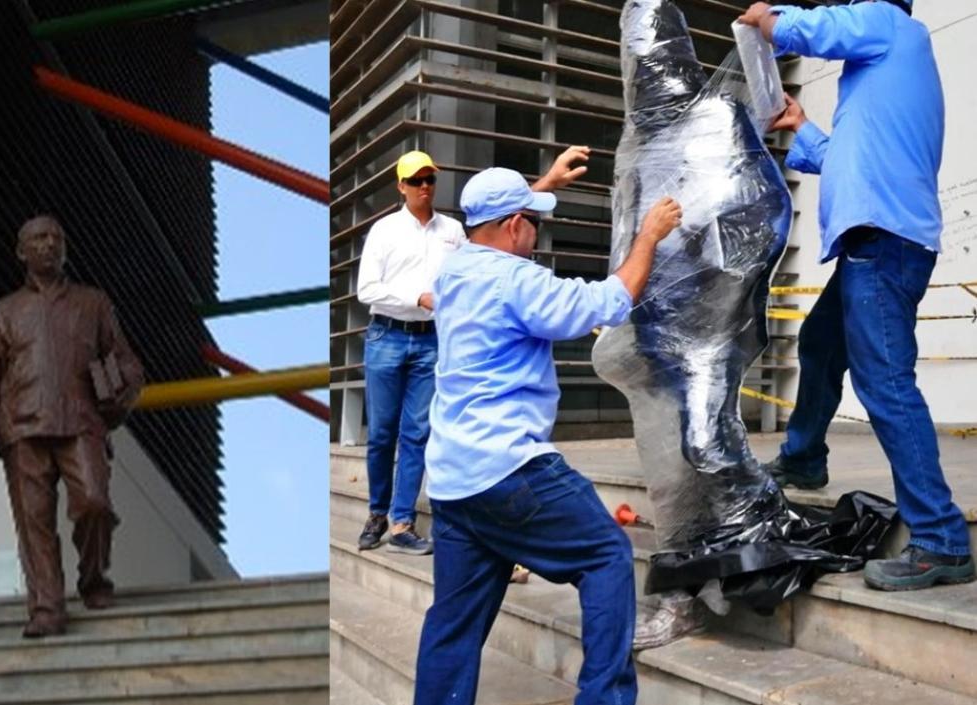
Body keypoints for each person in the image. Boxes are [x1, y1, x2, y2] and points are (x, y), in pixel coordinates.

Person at [411, 158, 682, 705]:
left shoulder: (454, 271)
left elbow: (490, 226)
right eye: (532, 221)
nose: (536, 233)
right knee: (606, 554)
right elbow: (609, 300)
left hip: (453, 482)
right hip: (511, 470)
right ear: (514, 226)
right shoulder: (518, 281)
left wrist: (540, 187)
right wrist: (650, 235)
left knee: (453, 625)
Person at [740, 0, 974, 590]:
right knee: (820, 345)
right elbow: (838, 157)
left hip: (884, 243)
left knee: (887, 384)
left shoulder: (888, 23)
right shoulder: (886, 70)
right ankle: (804, 457)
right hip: (874, 244)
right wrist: (799, 123)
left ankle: (942, 540)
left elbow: (814, 29)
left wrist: (771, 19)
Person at [0, 215, 145, 637]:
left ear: (65, 248)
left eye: (56, 238)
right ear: (22, 252)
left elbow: (127, 362)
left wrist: (122, 393)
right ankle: (47, 607)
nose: (49, 244)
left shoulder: (93, 303)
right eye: (38, 238)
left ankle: (93, 577)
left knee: (94, 504)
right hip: (22, 428)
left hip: (80, 421)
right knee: (35, 523)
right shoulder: (4, 312)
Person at [354, 150, 466, 555]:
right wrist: (418, 297)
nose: (424, 187)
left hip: (431, 341)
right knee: (382, 434)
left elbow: (467, 275)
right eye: (416, 180)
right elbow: (367, 290)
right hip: (387, 337)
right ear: (400, 185)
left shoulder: (453, 231)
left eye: (430, 179)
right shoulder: (384, 231)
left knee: (416, 434)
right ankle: (376, 512)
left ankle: (402, 523)